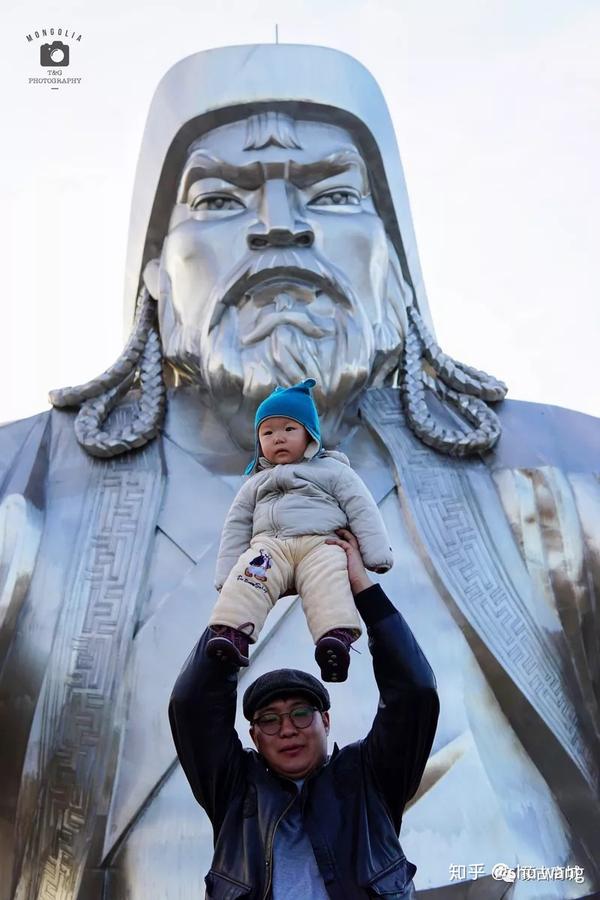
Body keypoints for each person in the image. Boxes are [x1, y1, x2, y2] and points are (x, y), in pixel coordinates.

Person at [169, 530, 439, 899]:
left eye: (300, 714)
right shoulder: (236, 790)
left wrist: (362, 588)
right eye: (269, 720)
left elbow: (415, 692)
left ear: (325, 721)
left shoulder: (368, 780)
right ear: (254, 736)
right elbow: (192, 706)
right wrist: (239, 602)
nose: (287, 730)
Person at [208, 378, 393, 681]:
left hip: (321, 543)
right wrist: (226, 574)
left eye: (289, 429)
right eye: (268, 432)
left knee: (329, 580)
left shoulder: (333, 470)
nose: (278, 438)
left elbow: (361, 506)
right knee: (248, 580)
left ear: (310, 435)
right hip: (271, 547)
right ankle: (231, 636)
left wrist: (375, 553)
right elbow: (236, 525)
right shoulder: (255, 482)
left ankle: (334, 641)